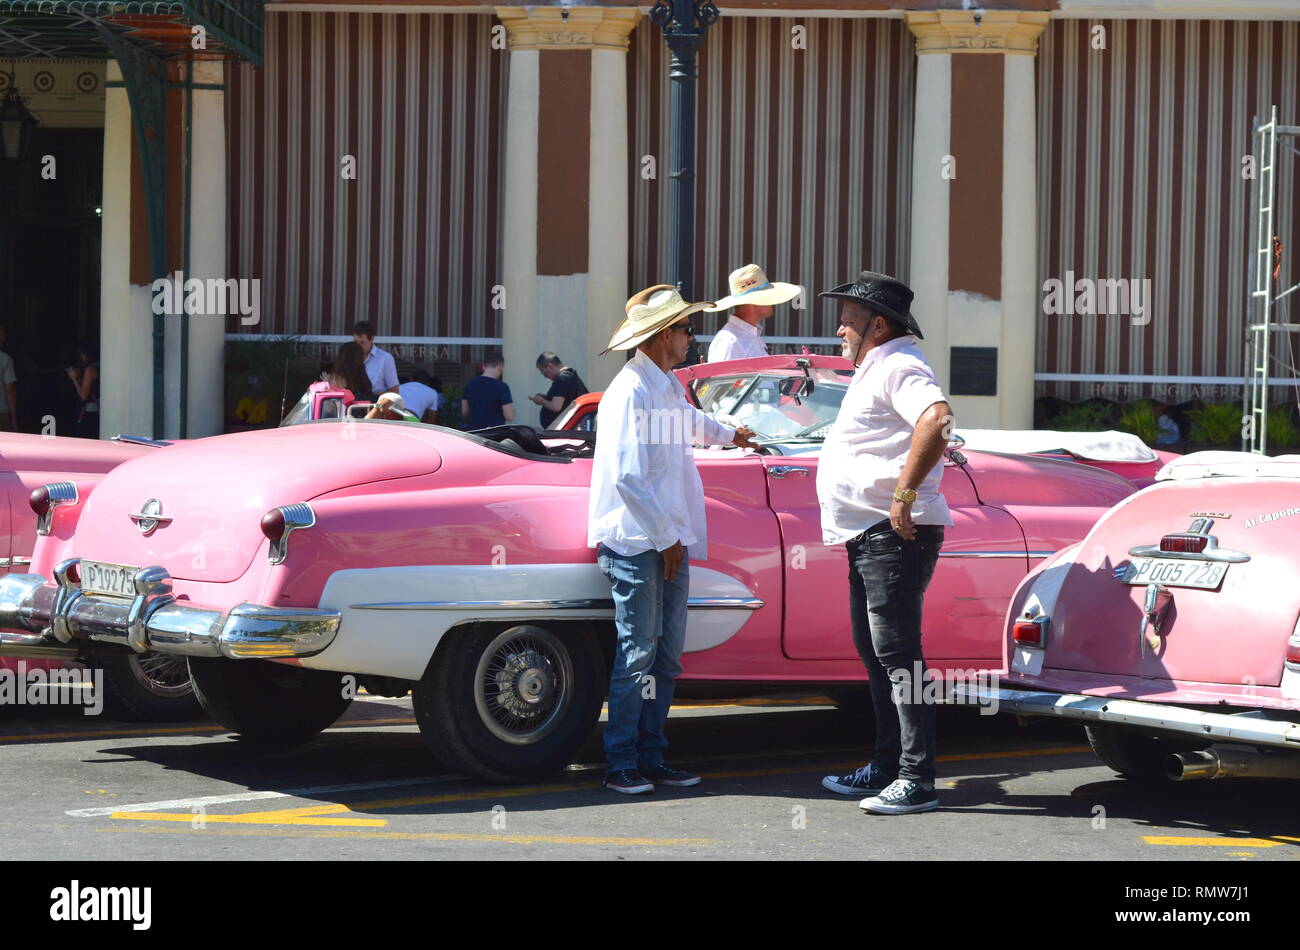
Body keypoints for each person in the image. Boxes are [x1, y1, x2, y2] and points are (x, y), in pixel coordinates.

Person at [589, 283, 757, 795]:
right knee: (638, 652)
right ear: (664, 334)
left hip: (664, 540)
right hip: (642, 543)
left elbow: (692, 424)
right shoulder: (632, 391)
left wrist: (733, 434)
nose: (691, 337)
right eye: (686, 328)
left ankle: (650, 754)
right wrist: (666, 540)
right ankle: (621, 760)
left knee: (662, 657)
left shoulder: (660, 384)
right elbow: (628, 477)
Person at [814, 270, 953, 816]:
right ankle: (889, 763)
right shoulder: (879, 366)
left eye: (847, 322)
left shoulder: (900, 364)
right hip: (869, 533)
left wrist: (903, 494)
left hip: (891, 532)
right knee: (878, 655)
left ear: (876, 324)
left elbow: (938, 421)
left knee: (899, 657)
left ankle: (917, 779)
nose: (839, 332)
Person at [704, 263, 800, 362]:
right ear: (753, 302)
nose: (772, 302)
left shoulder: (745, 336)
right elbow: (721, 377)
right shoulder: (729, 341)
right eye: (768, 296)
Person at [530, 352, 588, 428]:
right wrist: (547, 398)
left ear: (550, 366)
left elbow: (556, 406)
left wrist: (541, 401)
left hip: (561, 430)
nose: (545, 376)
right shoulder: (569, 376)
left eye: (543, 372)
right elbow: (565, 400)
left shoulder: (562, 379)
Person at [461, 352, 514, 429]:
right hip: (494, 434)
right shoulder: (502, 387)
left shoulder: (469, 384)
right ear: (500, 367)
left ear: (483, 366)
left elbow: (465, 411)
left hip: (473, 433)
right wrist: (513, 412)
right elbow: (509, 416)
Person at [352, 320, 399, 395]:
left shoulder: (385, 358)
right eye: (355, 342)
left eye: (362, 343)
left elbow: (394, 392)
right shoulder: (349, 357)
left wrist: (372, 394)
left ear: (372, 339)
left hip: (375, 404)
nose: (358, 346)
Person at [66, 342, 100, 439]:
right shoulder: (99, 366)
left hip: (90, 414)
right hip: (97, 411)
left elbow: (83, 395)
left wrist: (74, 379)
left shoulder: (90, 369)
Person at [0, 326, 16, 431]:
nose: (3, 339)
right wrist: (14, 418)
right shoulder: (5, 359)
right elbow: (10, 391)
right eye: (1, 336)